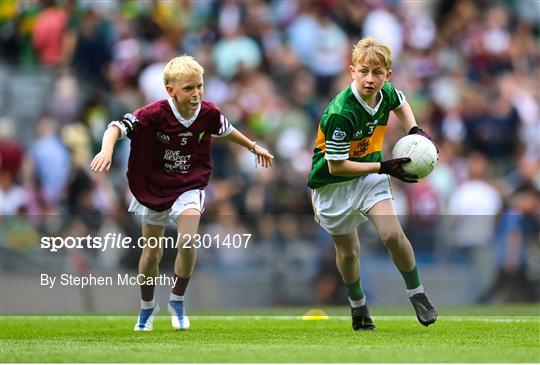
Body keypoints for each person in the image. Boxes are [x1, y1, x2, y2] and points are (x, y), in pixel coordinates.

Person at [91, 55, 273, 331]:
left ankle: (176, 300)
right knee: (152, 254)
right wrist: (106, 150)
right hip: (153, 187)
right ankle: (147, 307)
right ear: (170, 89)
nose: (196, 93)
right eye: (189, 88)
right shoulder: (153, 114)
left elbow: (226, 129)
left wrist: (253, 146)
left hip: (189, 185)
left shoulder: (208, 112)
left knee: (187, 242)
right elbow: (116, 127)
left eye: (199, 86)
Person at [307, 36, 438, 330]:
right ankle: (357, 303)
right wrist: (384, 166)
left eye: (377, 73)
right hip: (332, 184)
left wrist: (415, 130)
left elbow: (400, 102)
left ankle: (416, 293)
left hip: (369, 176)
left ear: (387, 75)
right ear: (352, 71)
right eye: (363, 71)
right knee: (349, 252)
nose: (369, 79)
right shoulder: (342, 111)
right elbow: (336, 166)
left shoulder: (385, 92)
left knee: (392, 234)